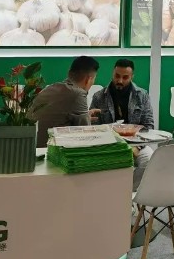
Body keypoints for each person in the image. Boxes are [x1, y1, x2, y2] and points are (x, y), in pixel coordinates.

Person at [89, 59, 154, 190]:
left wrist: (138, 147)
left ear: (132, 77)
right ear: (113, 73)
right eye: (117, 76)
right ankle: (113, 192)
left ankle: (128, 192)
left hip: (136, 143)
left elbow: (148, 126)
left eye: (125, 77)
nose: (120, 80)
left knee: (149, 159)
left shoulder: (142, 95)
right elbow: (93, 128)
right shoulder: (99, 97)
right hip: (108, 144)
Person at [30, 56, 100, 147]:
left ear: (69, 72)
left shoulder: (49, 89)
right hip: (55, 151)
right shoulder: (77, 94)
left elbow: (59, 119)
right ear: (88, 80)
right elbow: (85, 133)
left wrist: (85, 115)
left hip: (36, 149)